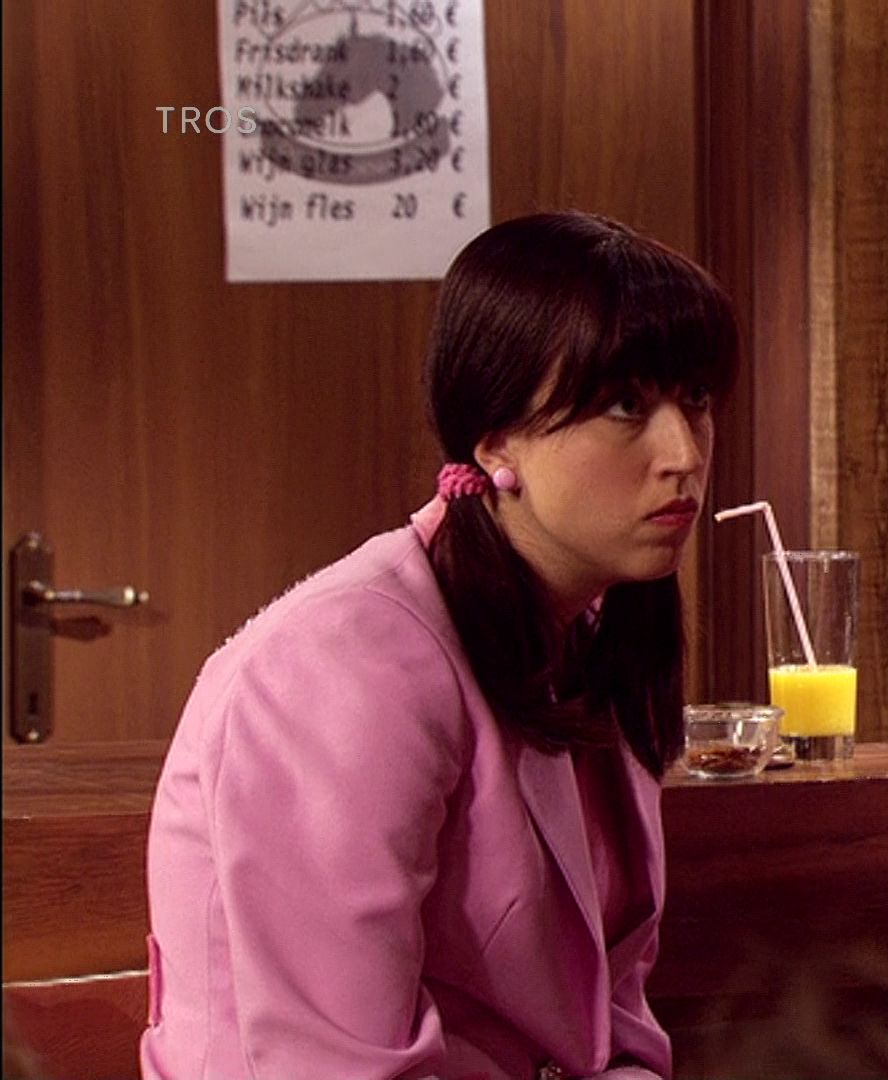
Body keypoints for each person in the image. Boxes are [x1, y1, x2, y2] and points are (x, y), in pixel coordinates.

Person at [141, 211, 737, 1079]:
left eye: (696, 399)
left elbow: (610, 1025)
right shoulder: (346, 664)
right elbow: (333, 1066)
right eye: (625, 406)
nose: (682, 452)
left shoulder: (592, 630)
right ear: (496, 440)